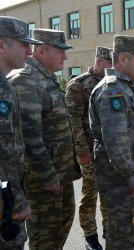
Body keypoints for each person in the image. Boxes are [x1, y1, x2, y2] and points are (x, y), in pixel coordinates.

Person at [9, 28, 82, 250]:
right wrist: (47, 176)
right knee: (45, 239)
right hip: (42, 181)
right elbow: (29, 137)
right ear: (41, 51)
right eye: (61, 51)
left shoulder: (45, 79)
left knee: (60, 228)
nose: (65, 57)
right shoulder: (26, 81)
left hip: (60, 176)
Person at [89, 35, 134, 250]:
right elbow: (116, 140)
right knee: (120, 237)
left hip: (125, 178)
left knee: (126, 233)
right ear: (123, 59)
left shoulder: (125, 87)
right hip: (120, 180)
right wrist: (132, 177)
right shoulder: (112, 90)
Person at [0, 16, 42, 250]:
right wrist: (16, 202)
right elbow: (4, 152)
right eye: (23, 43)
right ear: (2, 44)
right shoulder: (2, 92)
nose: (29, 50)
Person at [65, 46, 112, 249]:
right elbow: (73, 120)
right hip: (90, 150)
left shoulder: (113, 83)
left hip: (110, 150)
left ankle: (109, 231)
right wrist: (82, 150)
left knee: (109, 192)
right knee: (91, 193)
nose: (113, 69)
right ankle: (90, 235)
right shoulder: (79, 85)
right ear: (99, 62)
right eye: (110, 64)